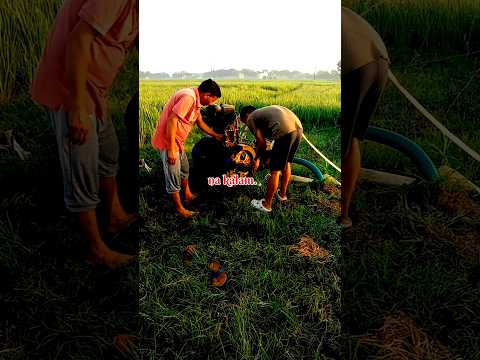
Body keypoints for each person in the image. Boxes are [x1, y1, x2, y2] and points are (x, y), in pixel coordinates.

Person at [31, 0, 139, 269]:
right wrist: (76, 107)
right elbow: (79, 39)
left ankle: (115, 216)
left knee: (108, 152)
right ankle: (96, 250)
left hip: (94, 91)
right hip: (72, 90)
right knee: (82, 166)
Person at [341, 6, 391, 228]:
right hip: (380, 58)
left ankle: (342, 216)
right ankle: (344, 214)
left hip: (356, 64)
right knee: (353, 139)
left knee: (343, 140)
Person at [151, 79, 225, 218]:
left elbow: (200, 122)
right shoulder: (188, 97)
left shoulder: (195, 100)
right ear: (207, 94)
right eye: (212, 100)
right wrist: (171, 149)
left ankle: (188, 194)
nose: (212, 103)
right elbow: (172, 120)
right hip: (169, 142)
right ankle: (179, 209)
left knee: (184, 169)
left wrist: (216, 135)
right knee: (173, 175)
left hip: (178, 142)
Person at [240, 105, 303, 213]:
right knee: (286, 163)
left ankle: (266, 205)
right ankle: (282, 195)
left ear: (245, 117)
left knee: (275, 170)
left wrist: (257, 159)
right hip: (298, 128)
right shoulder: (263, 113)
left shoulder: (251, 118)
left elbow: (261, 143)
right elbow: (267, 141)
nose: (248, 126)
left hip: (284, 131)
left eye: (245, 123)